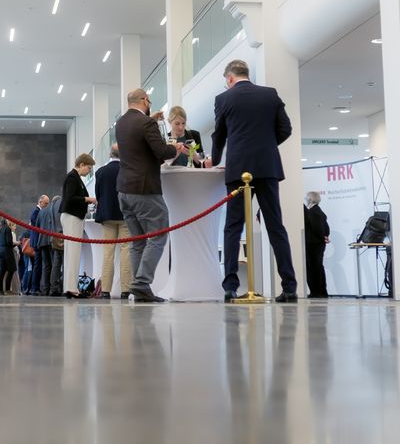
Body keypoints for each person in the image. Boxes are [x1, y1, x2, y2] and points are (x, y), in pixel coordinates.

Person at [204, 59, 297, 302]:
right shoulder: (270, 95)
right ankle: (289, 287)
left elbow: (219, 135)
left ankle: (230, 287)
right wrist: (265, 145)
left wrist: (213, 160)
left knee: (233, 227)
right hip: (267, 167)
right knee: (275, 226)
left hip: (238, 168)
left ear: (230, 78)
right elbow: (285, 129)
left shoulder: (224, 99)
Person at [116, 89, 187, 303]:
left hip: (124, 189)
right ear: (145, 100)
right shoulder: (147, 124)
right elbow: (161, 152)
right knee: (158, 234)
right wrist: (173, 147)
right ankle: (141, 283)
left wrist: (151, 119)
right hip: (144, 188)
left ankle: (139, 287)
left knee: (138, 241)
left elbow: (139, 147)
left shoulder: (121, 123)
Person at [94, 144, 131, 299]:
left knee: (108, 253)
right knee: (126, 251)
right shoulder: (128, 170)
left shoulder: (100, 172)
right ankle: (125, 290)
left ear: (110, 154)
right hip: (125, 215)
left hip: (107, 216)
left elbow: (98, 194)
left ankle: (106, 290)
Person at [60, 153, 97, 298]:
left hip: (73, 217)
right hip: (71, 217)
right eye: (88, 168)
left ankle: (70, 287)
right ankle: (71, 288)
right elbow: (69, 198)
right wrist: (88, 199)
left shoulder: (76, 178)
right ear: (81, 165)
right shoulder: (72, 177)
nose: (89, 171)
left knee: (73, 253)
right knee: (73, 253)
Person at [304, 191, 330, 298]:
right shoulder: (319, 211)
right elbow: (326, 228)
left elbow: (317, 228)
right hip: (318, 243)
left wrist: (322, 236)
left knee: (314, 268)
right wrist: (325, 235)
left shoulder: (313, 212)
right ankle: (321, 291)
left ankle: (317, 292)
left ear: (310, 199)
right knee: (318, 267)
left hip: (313, 244)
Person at [28, 195, 50, 295]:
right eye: (46, 203)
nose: (47, 205)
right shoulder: (36, 212)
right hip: (37, 242)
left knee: (38, 265)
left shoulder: (39, 212)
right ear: (40, 202)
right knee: (37, 266)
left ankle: (35, 287)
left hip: (38, 242)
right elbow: (36, 224)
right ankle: (34, 288)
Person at [0, 220, 18, 294]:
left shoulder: (0, 229)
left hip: (0, 250)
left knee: (2, 271)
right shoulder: (7, 229)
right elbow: (9, 242)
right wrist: (17, 244)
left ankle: (0, 290)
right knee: (11, 270)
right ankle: (8, 289)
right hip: (7, 251)